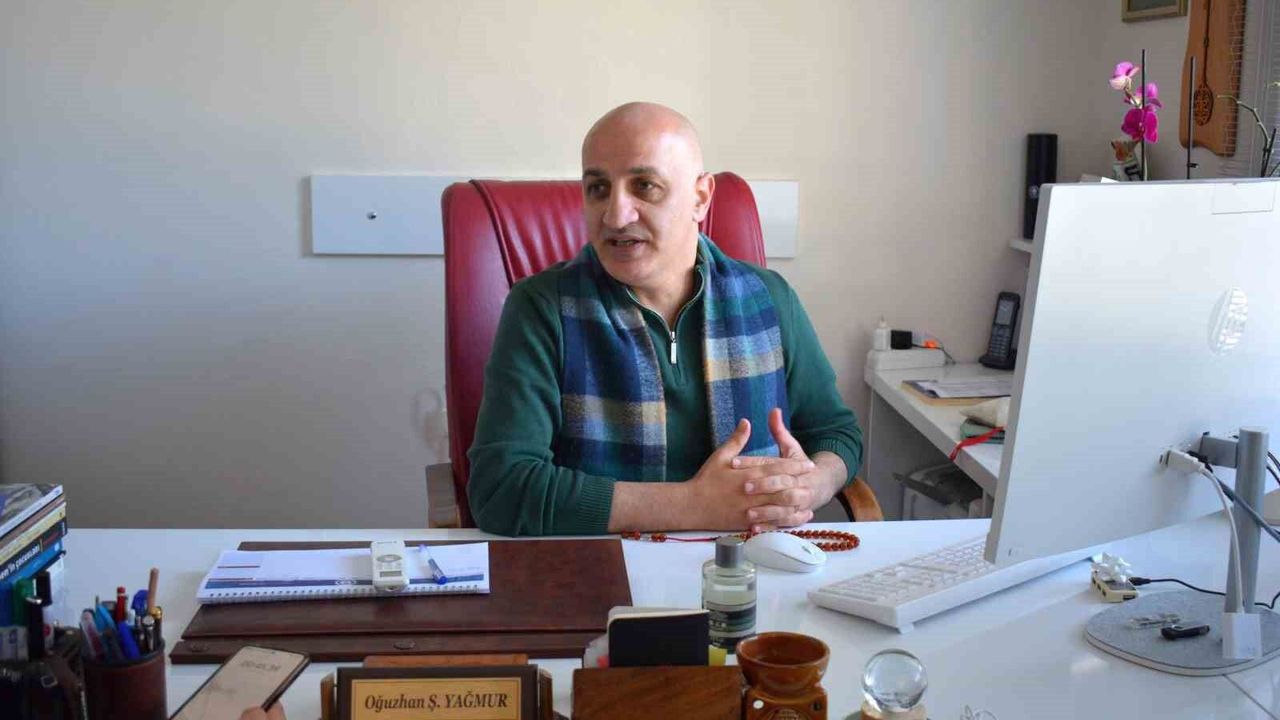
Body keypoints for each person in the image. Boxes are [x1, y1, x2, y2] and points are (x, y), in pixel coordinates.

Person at [467, 102, 862, 536]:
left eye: (645, 186)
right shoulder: (541, 309)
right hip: (601, 565)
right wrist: (693, 505)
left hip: (752, 561)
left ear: (700, 197)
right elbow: (501, 490)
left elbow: (835, 432)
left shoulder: (769, 298)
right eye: (598, 188)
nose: (615, 215)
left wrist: (813, 483)